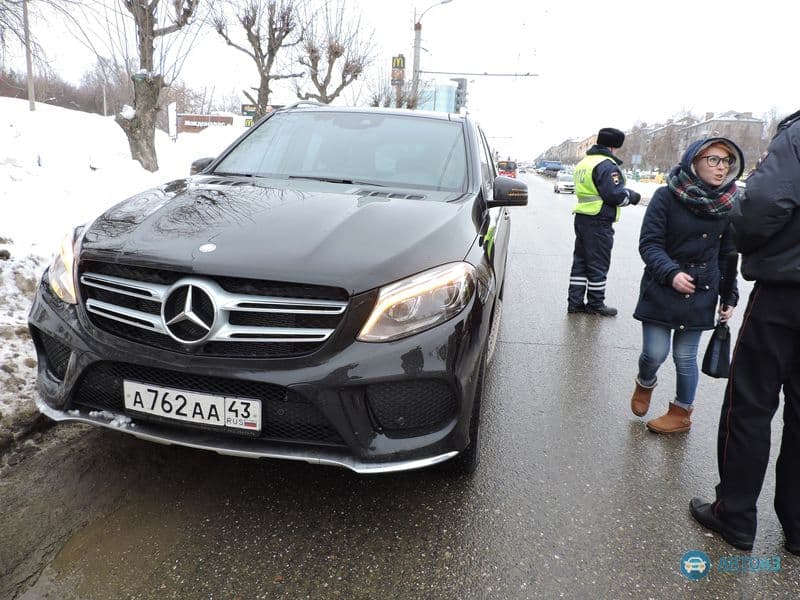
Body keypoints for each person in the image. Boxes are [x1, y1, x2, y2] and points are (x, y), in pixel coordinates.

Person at [691, 109, 800, 555]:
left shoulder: (796, 136)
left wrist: (751, 246)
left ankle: (735, 515)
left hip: (787, 290)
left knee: (750, 404)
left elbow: (763, 204)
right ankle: (797, 527)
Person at [629, 138, 743, 434]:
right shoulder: (665, 197)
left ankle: (681, 413)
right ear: (694, 161)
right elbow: (649, 244)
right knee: (655, 353)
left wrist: (729, 296)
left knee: (685, 356)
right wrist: (671, 273)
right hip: (662, 286)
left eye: (726, 161)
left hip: (701, 292)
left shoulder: (729, 204)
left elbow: (729, 255)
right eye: (714, 160)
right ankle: (645, 382)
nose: (721, 168)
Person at [568, 127, 642, 316]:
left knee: (581, 263)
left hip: (582, 218)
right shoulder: (607, 165)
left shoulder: (585, 162)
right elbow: (614, 195)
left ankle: (575, 303)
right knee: (598, 263)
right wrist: (632, 196)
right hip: (599, 221)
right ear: (613, 147)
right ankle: (595, 304)